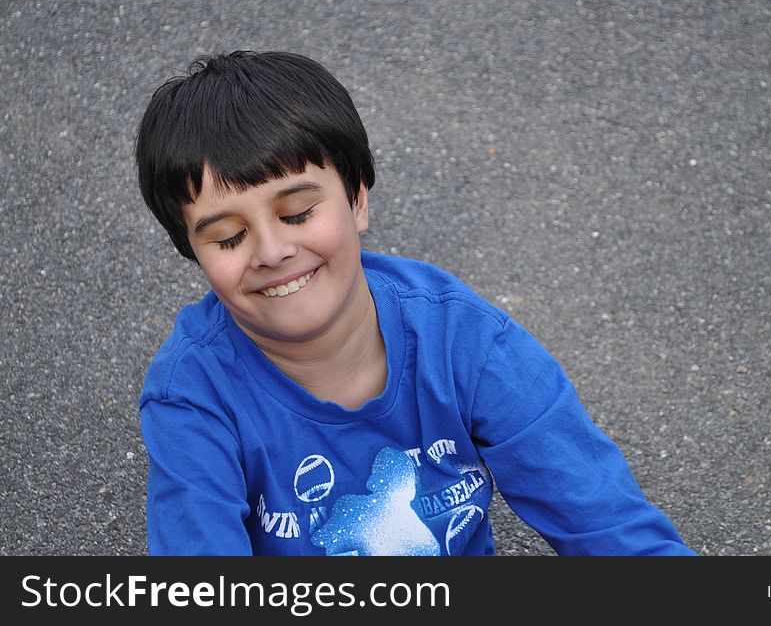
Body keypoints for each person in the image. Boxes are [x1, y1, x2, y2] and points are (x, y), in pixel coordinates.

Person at [135, 50, 695, 556]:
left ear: (357, 198)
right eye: (229, 237)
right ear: (194, 251)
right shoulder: (191, 396)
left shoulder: (464, 339)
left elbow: (611, 528)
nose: (273, 251)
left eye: (298, 213)